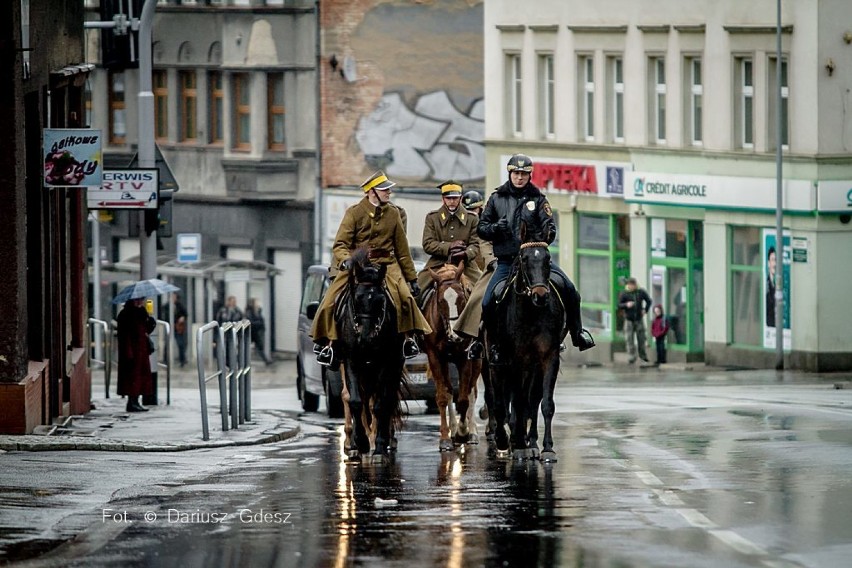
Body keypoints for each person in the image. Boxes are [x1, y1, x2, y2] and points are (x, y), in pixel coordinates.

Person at [476, 153, 595, 363]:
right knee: (487, 302)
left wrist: (542, 235)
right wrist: (496, 228)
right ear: (510, 174)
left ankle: (578, 334)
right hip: (507, 261)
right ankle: (489, 345)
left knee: (571, 291)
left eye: (524, 174)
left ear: (529, 176)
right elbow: (482, 228)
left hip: (535, 261)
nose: (520, 178)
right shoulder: (496, 199)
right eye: (516, 173)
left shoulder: (539, 199)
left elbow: (550, 227)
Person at [311, 170, 432, 365]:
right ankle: (328, 343)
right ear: (371, 192)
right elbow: (340, 244)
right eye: (384, 190)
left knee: (405, 297)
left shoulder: (393, 213)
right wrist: (346, 260)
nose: (388, 193)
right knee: (330, 301)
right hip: (357, 264)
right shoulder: (354, 213)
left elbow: (402, 250)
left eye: (388, 190)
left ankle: (409, 340)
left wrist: (411, 278)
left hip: (387, 264)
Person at [416, 180, 482, 304]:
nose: (452, 201)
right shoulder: (432, 218)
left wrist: (466, 254)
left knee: (484, 293)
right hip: (438, 264)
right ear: (443, 199)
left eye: (455, 198)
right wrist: (449, 247)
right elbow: (427, 243)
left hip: (466, 266)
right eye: (448, 198)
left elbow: (476, 244)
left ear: (461, 198)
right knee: (415, 292)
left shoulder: (472, 218)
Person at [453, 190, 496, 359]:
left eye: (475, 210)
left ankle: (476, 338)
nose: (473, 214)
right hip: (457, 266)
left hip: (480, 269)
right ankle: (416, 336)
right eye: (469, 211)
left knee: (479, 297)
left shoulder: (487, 224)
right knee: (420, 289)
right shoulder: (459, 223)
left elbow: (485, 250)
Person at [116, 297, 157, 412]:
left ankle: (135, 401)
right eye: (137, 300)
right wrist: (128, 352)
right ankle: (132, 402)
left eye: (141, 300)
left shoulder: (142, 312)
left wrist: (151, 321)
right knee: (132, 378)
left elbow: (145, 330)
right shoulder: (125, 314)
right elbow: (124, 335)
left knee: (141, 377)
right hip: (132, 351)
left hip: (141, 350)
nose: (139, 302)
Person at [617, 277, 652, 364]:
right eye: (631, 285)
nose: (632, 287)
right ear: (628, 285)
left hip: (639, 318)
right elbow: (619, 305)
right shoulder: (624, 293)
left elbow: (649, 301)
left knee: (641, 338)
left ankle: (643, 356)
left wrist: (645, 310)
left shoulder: (641, 292)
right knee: (629, 338)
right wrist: (626, 305)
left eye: (634, 285)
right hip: (629, 319)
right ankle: (632, 355)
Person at [216, 295, 244, 367]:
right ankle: (227, 364)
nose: (233, 303)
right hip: (225, 333)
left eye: (234, 302)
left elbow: (241, 321)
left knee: (235, 349)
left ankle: (235, 363)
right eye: (232, 301)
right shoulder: (222, 311)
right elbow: (218, 322)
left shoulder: (238, 311)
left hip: (235, 333)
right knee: (226, 349)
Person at [161, 293, 188, 368]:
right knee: (167, 343)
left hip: (177, 327)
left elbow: (185, 314)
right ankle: (165, 360)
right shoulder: (166, 306)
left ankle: (182, 360)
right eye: (172, 297)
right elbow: (163, 314)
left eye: (174, 297)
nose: (173, 298)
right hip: (169, 326)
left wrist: (182, 318)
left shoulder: (179, 305)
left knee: (180, 343)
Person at [245, 298, 272, 365]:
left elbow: (261, 320)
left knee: (259, 347)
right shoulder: (249, 312)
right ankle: (239, 359)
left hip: (256, 332)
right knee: (246, 346)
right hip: (252, 332)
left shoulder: (257, 311)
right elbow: (251, 321)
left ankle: (266, 360)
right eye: (256, 303)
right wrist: (259, 323)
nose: (258, 304)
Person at [765, 246, 776, 327]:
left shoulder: (783, 284)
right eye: (773, 260)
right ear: (768, 263)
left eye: (776, 260)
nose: (775, 264)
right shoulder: (765, 284)